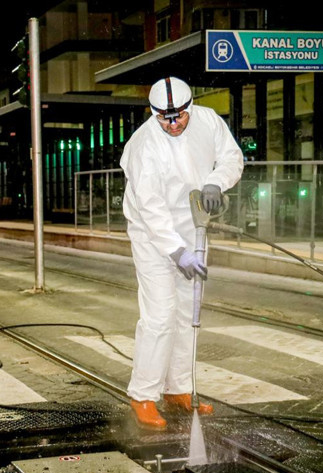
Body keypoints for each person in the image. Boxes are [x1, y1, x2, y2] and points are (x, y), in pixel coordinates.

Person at [120, 76, 244, 430]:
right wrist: (176, 252)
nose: (173, 124)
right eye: (165, 118)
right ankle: (143, 395)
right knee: (160, 316)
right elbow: (150, 208)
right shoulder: (144, 145)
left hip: (194, 229)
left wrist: (215, 182)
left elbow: (232, 157)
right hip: (152, 237)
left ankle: (178, 390)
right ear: (154, 113)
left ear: (191, 107)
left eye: (179, 117)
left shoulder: (208, 121)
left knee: (188, 315)